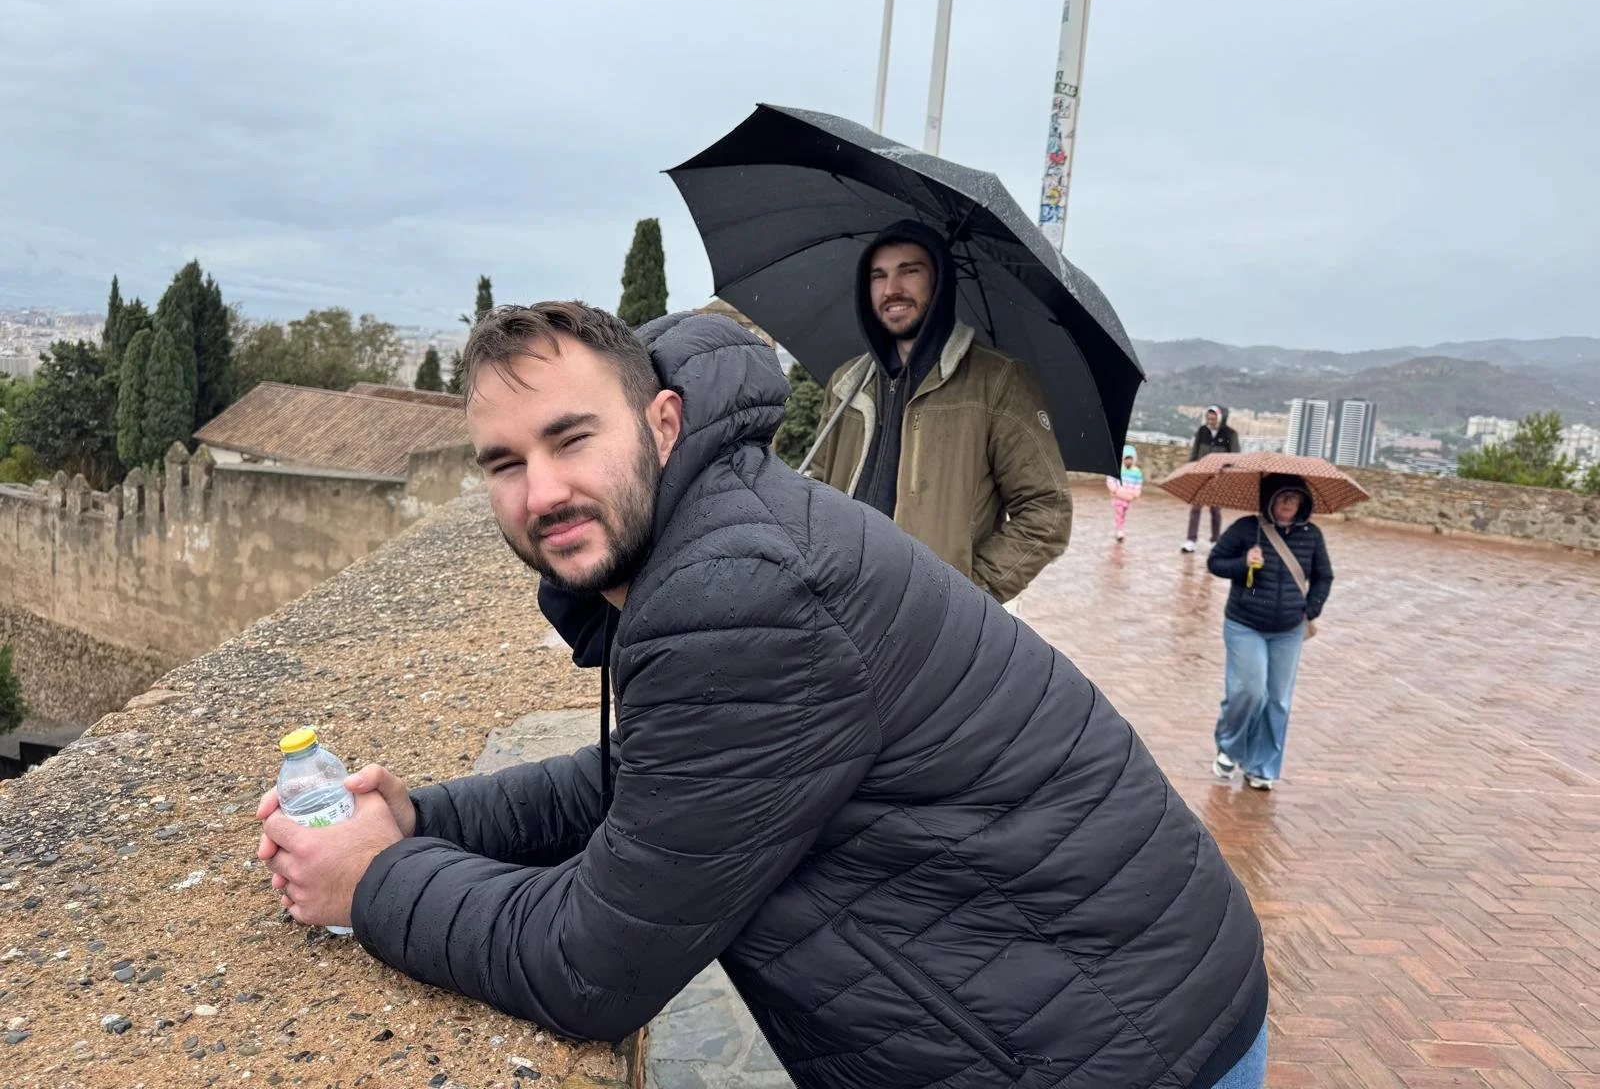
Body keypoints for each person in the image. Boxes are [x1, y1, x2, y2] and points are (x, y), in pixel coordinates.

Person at [257, 303, 1268, 1088]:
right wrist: (427, 815)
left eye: (572, 440)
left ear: (662, 421)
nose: (540, 491)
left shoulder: (739, 588)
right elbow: (653, 783)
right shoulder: (719, 532)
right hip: (1081, 1010)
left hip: (1106, 1046)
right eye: (504, 463)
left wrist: (372, 882)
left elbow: (594, 965)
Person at [808, 220, 1071, 605]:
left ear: (940, 282)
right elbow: (817, 484)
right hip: (839, 605)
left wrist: (969, 593)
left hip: (929, 621)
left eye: (910, 271)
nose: (891, 289)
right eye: (878, 276)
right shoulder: (847, 383)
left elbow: (1047, 511)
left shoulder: (998, 381)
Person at [1207, 474, 1333, 791]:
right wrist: (1243, 562)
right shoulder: (1247, 529)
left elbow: (1323, 576)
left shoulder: (1311, 535)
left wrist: (1312, 607)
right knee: (1249, 691)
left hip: (1288, 630)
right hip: (1244, 624)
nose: (1287, 504)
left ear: (1303, 502)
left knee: (1277, 700)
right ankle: (1229, 746)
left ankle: (1261, 764)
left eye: (1293, 498)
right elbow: (1215, 562)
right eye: (1281, 498)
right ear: (1269, 499)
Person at [1183, 405, 1241, 553]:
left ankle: (1215, 540)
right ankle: (1191, 539)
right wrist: (1190, 469)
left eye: (1213, 417)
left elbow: (1235, 455)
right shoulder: (1202, 431)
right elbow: (1194, 452)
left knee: (1215, 510)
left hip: (1219, 476)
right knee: (1196, 508)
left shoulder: (1230, 434)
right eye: (1208, 417)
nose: (1210, 420)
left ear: (1220, 418)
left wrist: (1228, 472)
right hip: (1202, 474)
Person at [1106, 443, 1143, 542]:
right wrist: (1114, 489)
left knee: (1123, 514)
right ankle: (1119, 530)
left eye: (1130, 459)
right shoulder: (1118, 469)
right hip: (1118, 495)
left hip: (1128, 497)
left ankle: (1119, 528)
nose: (1128, 461)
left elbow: (1138, 483)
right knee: (1119, 513)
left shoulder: (1136, 472)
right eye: (1127, 458)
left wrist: (1136, 492)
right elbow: (1110, 478)